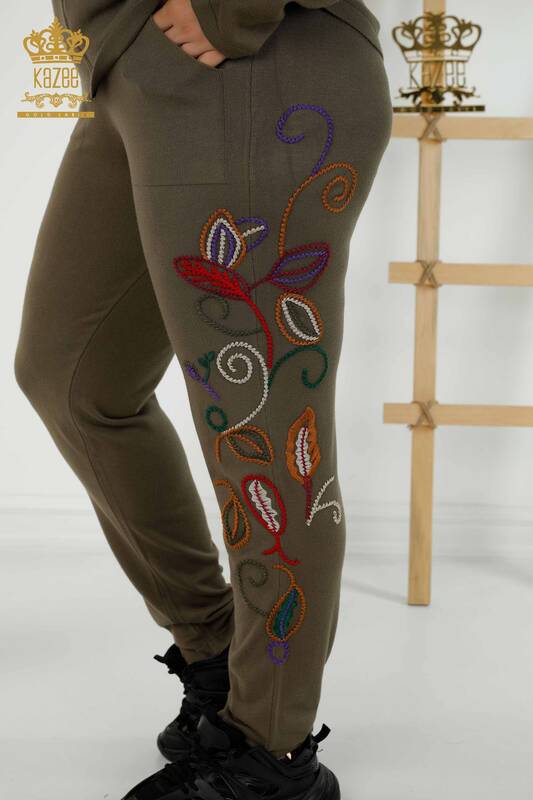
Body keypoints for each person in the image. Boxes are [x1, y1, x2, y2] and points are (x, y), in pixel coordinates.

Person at [14, 0, 393, 797]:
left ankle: (271, 751)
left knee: (264, 428)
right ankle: (218, 653)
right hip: (126, 67)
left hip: (250, 67)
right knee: (73, 378)